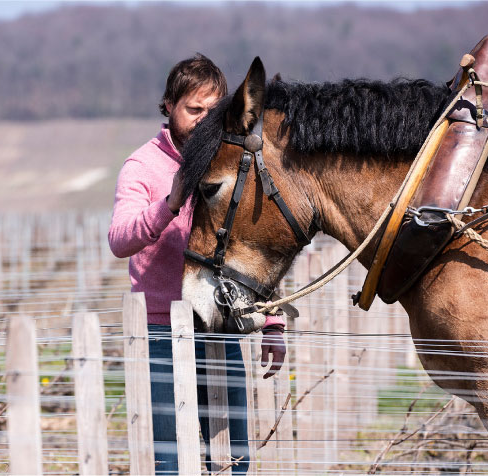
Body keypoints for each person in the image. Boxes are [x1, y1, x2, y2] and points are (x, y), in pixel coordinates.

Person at [108, 53, 286, 475]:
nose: (203, 120)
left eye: (212, 111)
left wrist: (273, 324)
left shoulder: (231, 160)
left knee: (233, 457)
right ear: (168, 106)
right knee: (170, 459)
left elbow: (251, 245)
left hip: (219, 329)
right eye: (193, 109)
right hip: (159, 333)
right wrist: (169, 203)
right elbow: (119, 240)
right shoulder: (141, 166)